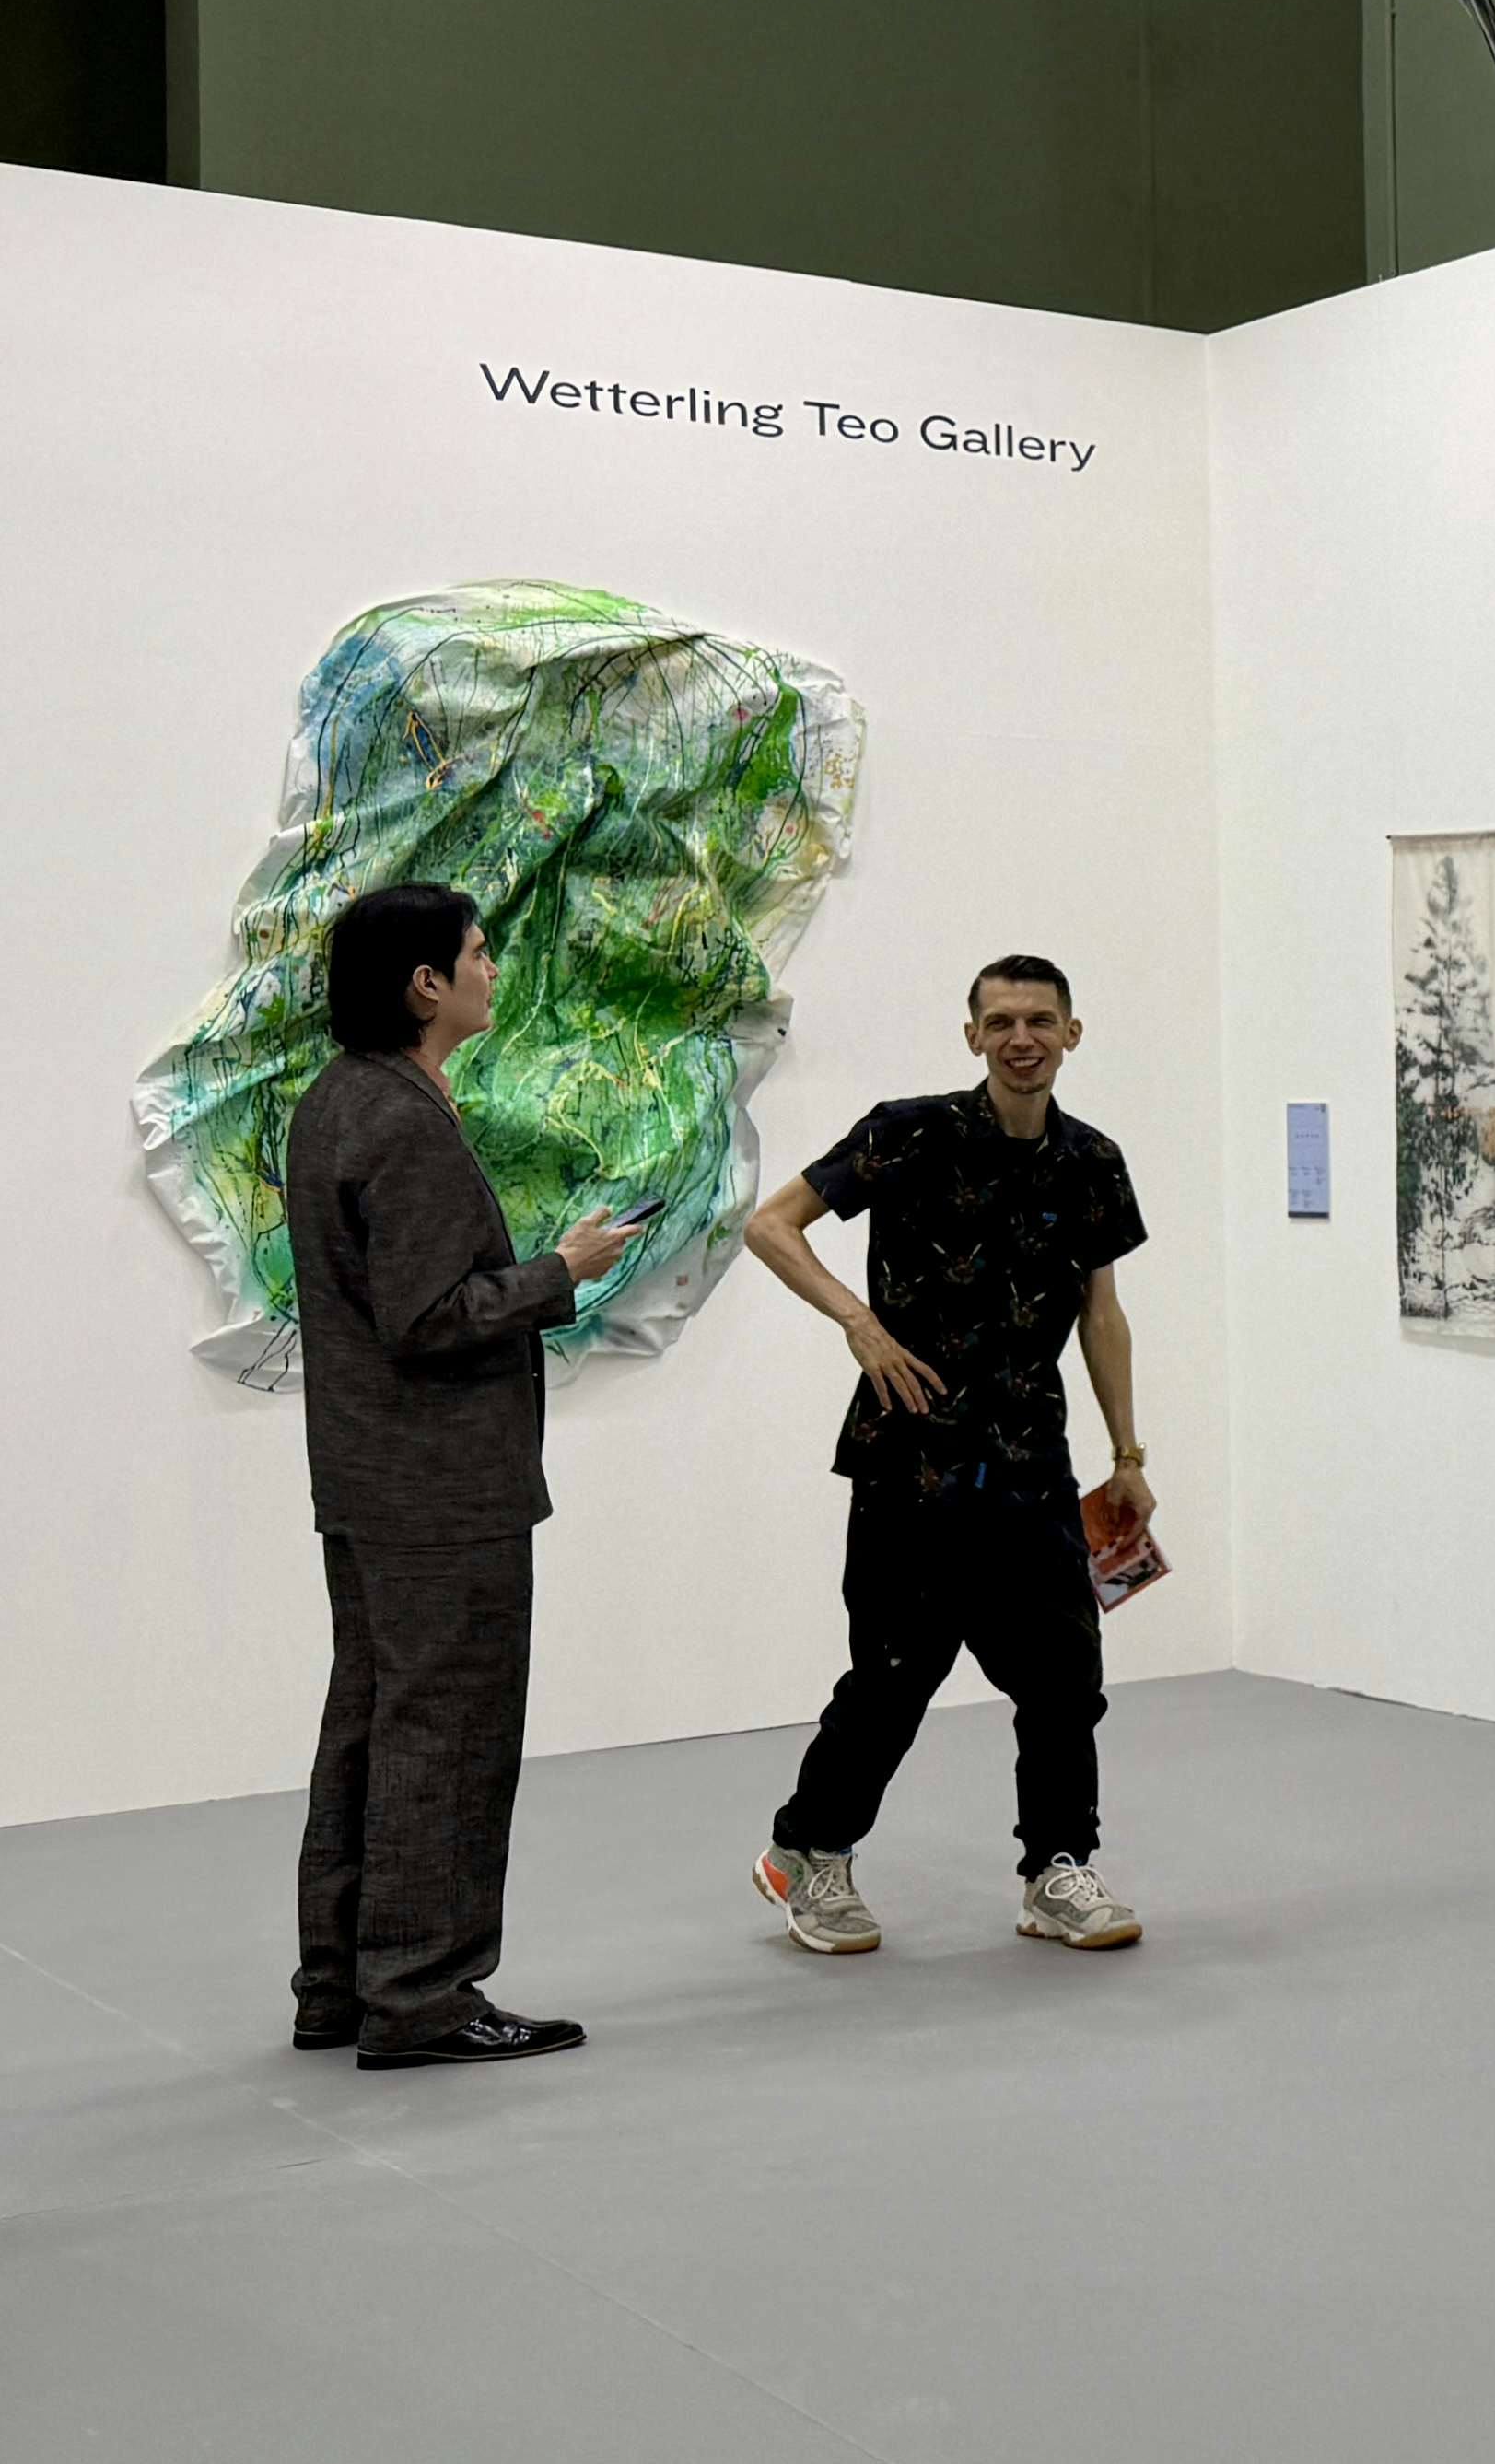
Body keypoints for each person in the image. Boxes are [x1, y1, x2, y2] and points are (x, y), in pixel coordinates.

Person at [281, 882, 638, 2065]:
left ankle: (342, 1983)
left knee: (374, 1719)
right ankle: (423, 1994)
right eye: (477, 953)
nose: (492, 969)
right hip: (442, 1484)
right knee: (448, 1732)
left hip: (370, 1475)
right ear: (425, 983)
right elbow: (429, 1315)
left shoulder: (337, 1101)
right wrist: (562, 1268)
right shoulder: (402, 1122)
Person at [737, 957, 1152, 1954]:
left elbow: (1101, 1313)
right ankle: (808, 1851)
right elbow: (770, 1225)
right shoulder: (908, 1131)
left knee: (1064, 1677)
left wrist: (1127, 1452)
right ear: (973, 1035)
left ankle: (1057, 1868)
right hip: (909, 1454)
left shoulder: (1092, 1160)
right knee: (894, 1674)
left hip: (1031, 1460)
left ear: (1072, 1033)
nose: (1022, 1038)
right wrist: (859, 1324)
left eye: (1040, 1020)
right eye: (1001, 1021)